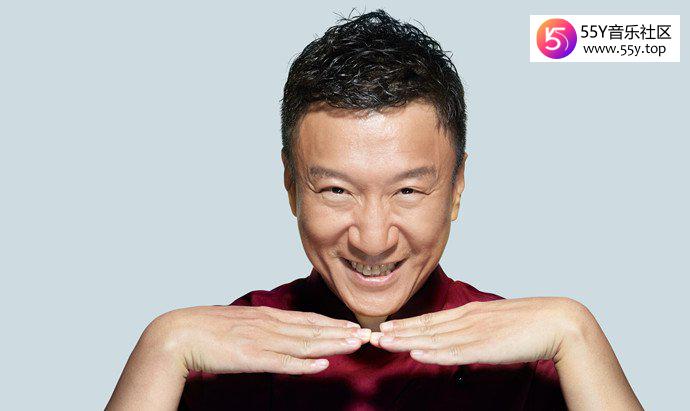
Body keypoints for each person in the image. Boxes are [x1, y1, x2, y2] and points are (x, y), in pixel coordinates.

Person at [106, 10, 642, 410]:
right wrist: (162, 347)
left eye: (407, 191)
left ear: (457, 187)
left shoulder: (530, 354)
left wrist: (578, 332)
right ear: (291, 185)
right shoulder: (221, 350)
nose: (373, 238)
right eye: (336, 191)